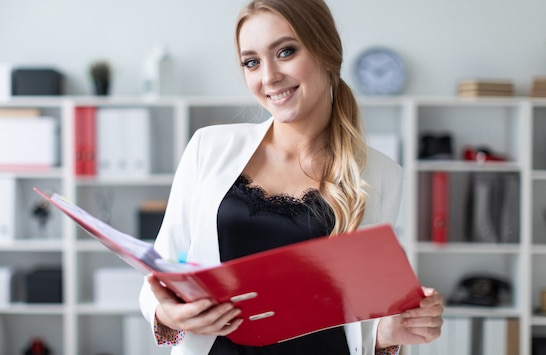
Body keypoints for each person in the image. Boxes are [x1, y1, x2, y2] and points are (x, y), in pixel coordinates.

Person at [139, 0, 445, 354]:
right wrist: (168, 314)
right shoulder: (208, 148)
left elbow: (352, 318)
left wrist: (390, 332)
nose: (268, 77)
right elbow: (161, 270)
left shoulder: (381, 175)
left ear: (326, 53)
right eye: (251, 62)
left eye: (285, 52)